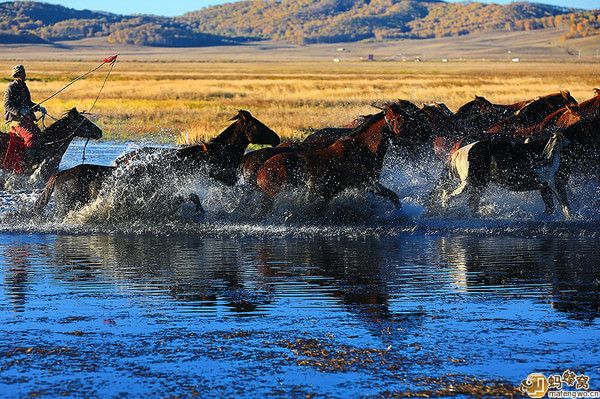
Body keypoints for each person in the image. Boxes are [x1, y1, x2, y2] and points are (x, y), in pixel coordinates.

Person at [3, 64, 46, 173]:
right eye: (22, 72)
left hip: (27, 120)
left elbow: (28, 103)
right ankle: (26, 164)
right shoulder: (11, 87)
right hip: (16, 122)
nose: (25, 74)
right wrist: (20, 111)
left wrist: (38, 107)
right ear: (17, 74)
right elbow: (7, 105)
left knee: (40, 136)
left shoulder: (24, 87)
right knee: (30, 137)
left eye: (24, 72)